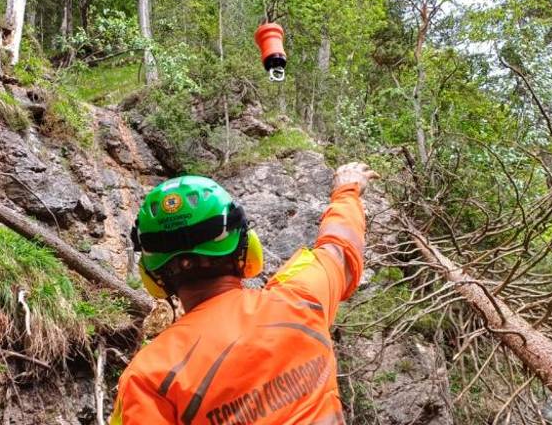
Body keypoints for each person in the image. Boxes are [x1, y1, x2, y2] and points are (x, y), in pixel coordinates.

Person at [111, 162, 379, 425]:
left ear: (153, 275)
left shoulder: (146, 377)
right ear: (245, 247)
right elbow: (339, 249)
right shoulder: (301, 300)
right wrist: (347, 191)